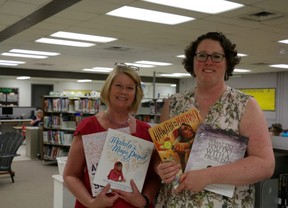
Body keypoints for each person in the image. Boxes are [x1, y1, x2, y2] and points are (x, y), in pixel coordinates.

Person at [154, 32, 275, 208]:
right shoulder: (173, 104)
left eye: (216, 56)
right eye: (202, 55)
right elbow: (161, 156)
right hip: (175, 201)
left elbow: (265, 165)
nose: (208, 62)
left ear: (227, 63)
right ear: (192, 60)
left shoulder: (244, 105)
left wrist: (208, 176)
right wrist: (161, 169)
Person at [63, 63, 160, 208]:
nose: (123, 92)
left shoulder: (145, 131)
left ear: (135, 93)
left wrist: (144, 200)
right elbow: (70, 175)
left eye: (130, 88)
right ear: (108, 88)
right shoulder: (89, 126)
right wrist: (91, 203)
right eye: (118, 85)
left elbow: (154, 177)